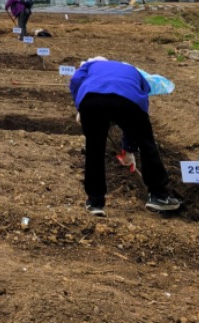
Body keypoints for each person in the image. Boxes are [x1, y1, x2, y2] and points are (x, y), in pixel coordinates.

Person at [69, 57, 182, 216]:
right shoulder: (134, 72)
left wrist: (79, 106)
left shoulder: (90, 65)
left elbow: (75, 81)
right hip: (128, 101)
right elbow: (136, 116)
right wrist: (129, 149)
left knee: (94, 148)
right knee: (147, 143)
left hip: (92, 100)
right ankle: (158, 196)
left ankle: (95, 202)